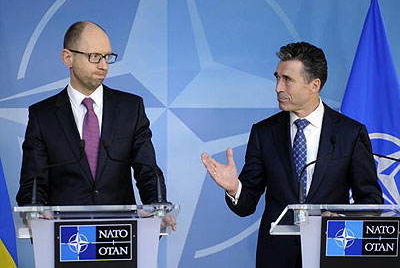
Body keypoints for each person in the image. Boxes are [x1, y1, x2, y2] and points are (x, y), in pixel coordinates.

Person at [201, 42, 383, 267]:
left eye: (287, 80)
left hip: (334, 250)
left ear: (314, 85)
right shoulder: (264, 133)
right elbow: (246, 205)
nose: (278, 87)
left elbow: (371, 202)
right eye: (277, 77)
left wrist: (342, 222)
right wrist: (233, 188)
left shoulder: (350, 133)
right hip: (277, 257)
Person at [16, 21, 167, 207]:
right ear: (68, 58)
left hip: (119, 230)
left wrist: (158, 207)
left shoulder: (131, 108)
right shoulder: (42, 116)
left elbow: (148, 172)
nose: (103, 65)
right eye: (95, 56)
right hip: (66, 232)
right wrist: (36, 216)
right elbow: (32, 185)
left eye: (107, 57)